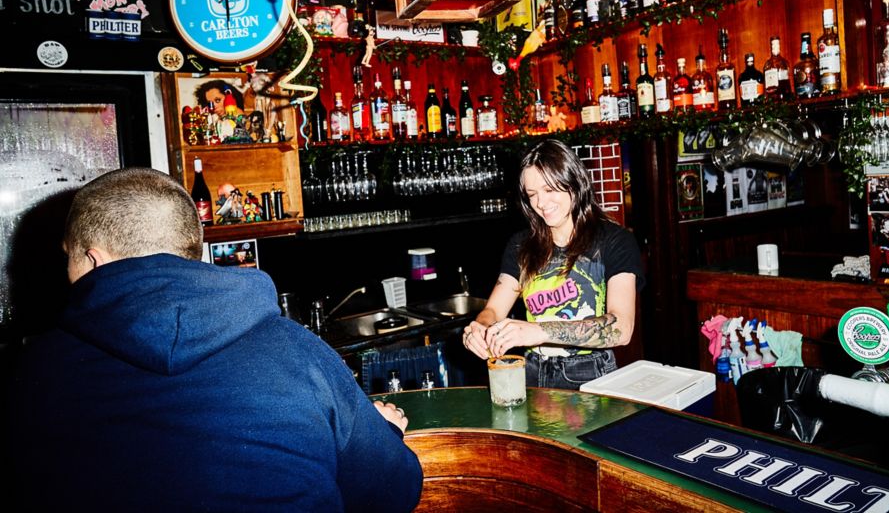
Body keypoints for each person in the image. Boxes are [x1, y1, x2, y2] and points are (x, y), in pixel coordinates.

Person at [7, 168, 423, 510]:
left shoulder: (31, 373)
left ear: (91, 258)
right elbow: (390, 495)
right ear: (194, 248)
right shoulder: (298, 350)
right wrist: (383, 434)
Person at [462, 140, 644, 389]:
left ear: (574, 183)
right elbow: (493, 311)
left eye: (549, 190)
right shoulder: (520, 246)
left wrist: (538, 331)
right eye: (532, 195)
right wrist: (480, 328)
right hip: (532, 371)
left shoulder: (614, 240)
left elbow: (621, 328)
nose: (541, 203)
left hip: (589, 372)